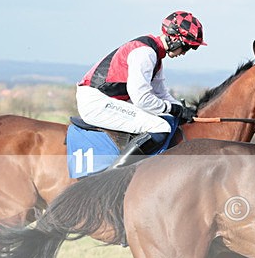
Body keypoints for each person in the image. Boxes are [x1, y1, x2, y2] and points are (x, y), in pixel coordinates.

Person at [76, 11, 206, 168]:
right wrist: (173, 108)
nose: (184, 53)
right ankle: (116, 173)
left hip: (106, 99)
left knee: (168, 119)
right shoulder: (145, 53)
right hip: (96, 102)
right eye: (185, 47)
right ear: (174, 38)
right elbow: (141, 99)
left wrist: (182, 109)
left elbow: (161, 94)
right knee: (160, 127)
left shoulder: (156, 55)